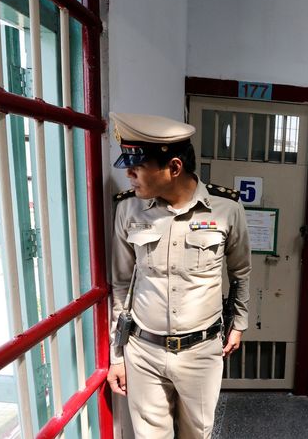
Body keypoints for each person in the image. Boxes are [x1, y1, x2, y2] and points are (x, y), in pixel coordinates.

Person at [105, 112, 251, 438]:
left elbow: (240, 272)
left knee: (197, 434)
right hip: (143, 352)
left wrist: (238, 323)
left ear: (173, 168)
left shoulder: (227, 209)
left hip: (201, 352)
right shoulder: (128, 210)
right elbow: (121, 284)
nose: (128, 174)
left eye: (137, 166)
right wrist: (117, 355)